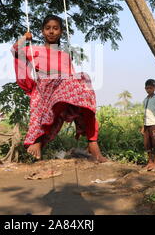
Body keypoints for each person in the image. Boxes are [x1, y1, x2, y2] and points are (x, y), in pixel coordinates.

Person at [11, 14, 106, 162]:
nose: (51, 31)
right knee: (51, 107)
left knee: (83, 89)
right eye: (47, 28)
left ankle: (92, 143)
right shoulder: (34, 49)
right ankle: (38, 141)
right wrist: (24, 38)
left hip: (61, 89)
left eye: (55, 28)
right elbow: (15, 50)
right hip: (44, 89)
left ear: (61, 32)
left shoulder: (64, 55)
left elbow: (71, 75)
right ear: (42, 31)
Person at [140, 79, 155, 171]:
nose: (149, 90)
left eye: (151, 88)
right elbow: (145, 114)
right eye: (147, 88)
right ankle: (150, 162)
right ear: (145, 88)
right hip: (146, 125)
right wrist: (143, 126)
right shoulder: (145, 99)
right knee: (147, 144)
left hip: (154, 124)